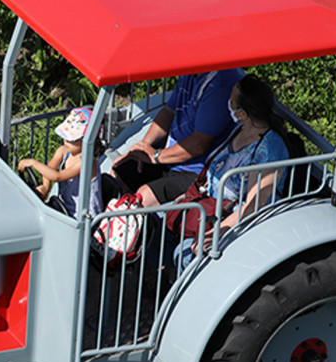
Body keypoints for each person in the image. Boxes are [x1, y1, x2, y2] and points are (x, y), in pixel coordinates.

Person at [171, 73, 290, 268]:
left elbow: (254, 205)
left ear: (243, 113)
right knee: (165, 221)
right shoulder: (240, 130)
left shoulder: (270, 151)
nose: (228, 104)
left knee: (183, 254)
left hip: (238, 222)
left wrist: (217, 231)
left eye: (231, 101)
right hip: (211, 207)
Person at [112, 69, 243, 206]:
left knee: (143, 197)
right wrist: (142, 149)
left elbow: (199, 143)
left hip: (198, 173)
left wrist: (156, 156)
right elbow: (169, 111)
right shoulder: (192, 71)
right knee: (118, 171)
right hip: (169, 159)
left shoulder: (220, 83)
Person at [17, 107, 103, 218]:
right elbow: (50, 169)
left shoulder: (88, 162)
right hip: (64, 207)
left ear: (88, 141)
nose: (66, 141)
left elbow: (57, 176)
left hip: (83, 217)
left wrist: (33, 163)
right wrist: (45, 187)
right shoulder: (64, 151)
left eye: (72, 139)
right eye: (65, 137)